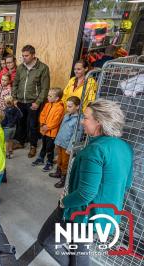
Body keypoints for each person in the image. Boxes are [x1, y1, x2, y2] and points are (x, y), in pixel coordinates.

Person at [37, 99, 133, 266]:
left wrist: (64, 202)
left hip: (82, 213)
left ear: (99, 122)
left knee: (47, 240)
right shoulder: (124, 147)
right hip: (103, 214)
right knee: (79, 250)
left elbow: (85, 194)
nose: (82, 121)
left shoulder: (95, 150)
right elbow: (126, 183)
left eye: (86, 118)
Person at [12, 45, 50, 158]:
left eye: (26, 56)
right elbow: (15, 83)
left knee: (33, 125)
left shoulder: (43, 68)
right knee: (21, 123)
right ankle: (20, 142)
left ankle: (33, 146)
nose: (24, 58)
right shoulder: (20, 68)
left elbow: (45, 88)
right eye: (23, 55)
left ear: (33, 55)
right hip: (20, 101)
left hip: (33, 102)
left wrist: (38, 102)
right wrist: (14, 97)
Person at [51, 96, 81, 188]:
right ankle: (58, 172)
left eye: (70, 106)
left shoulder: (79, 120)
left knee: (65, 163)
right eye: (67, 106)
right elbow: (61, 129)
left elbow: (76, 136)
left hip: (67, 145)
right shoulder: (66, 115)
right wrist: (57, 141)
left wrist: (70, 148)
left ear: (77, 106)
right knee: (59, 160)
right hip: (61, 142)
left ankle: (64, 179)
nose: (67, 108)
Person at [32, 88, 65, 171]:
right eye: (48, 95)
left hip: (52, 132)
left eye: (50, 96)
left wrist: (47, 127)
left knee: (49, 148)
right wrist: (42, 124)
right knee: (44, 145)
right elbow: (42, 114)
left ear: (57, 98)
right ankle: (41, 158)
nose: (48, 97)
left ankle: (49, 162)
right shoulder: (47, 104)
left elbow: (56, 121)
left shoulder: (60, 107)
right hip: (44, 130)